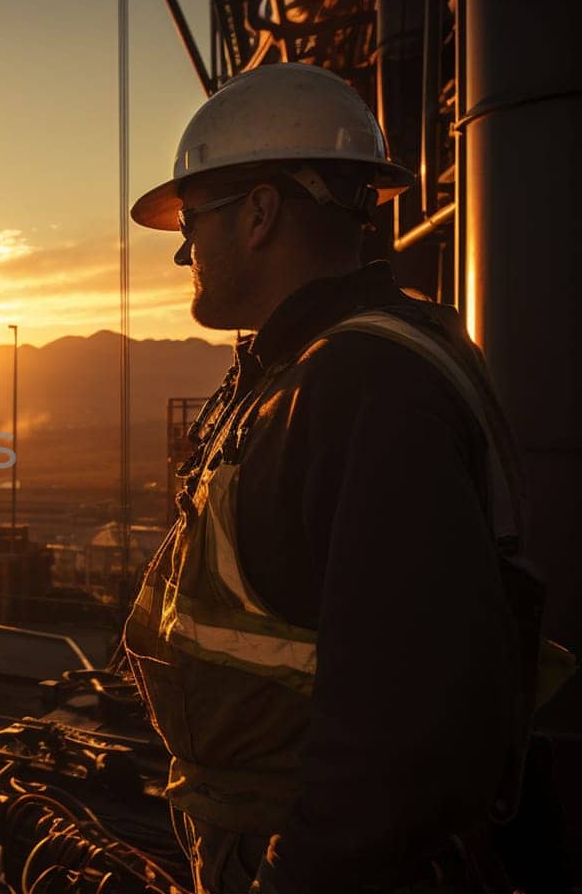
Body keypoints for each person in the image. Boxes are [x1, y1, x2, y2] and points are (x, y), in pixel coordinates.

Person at [123, 63, 570, 893]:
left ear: (259, 213)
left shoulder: (365, 390)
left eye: (193, 218)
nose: (185, 248)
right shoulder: (309, 373)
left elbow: (396, 744)